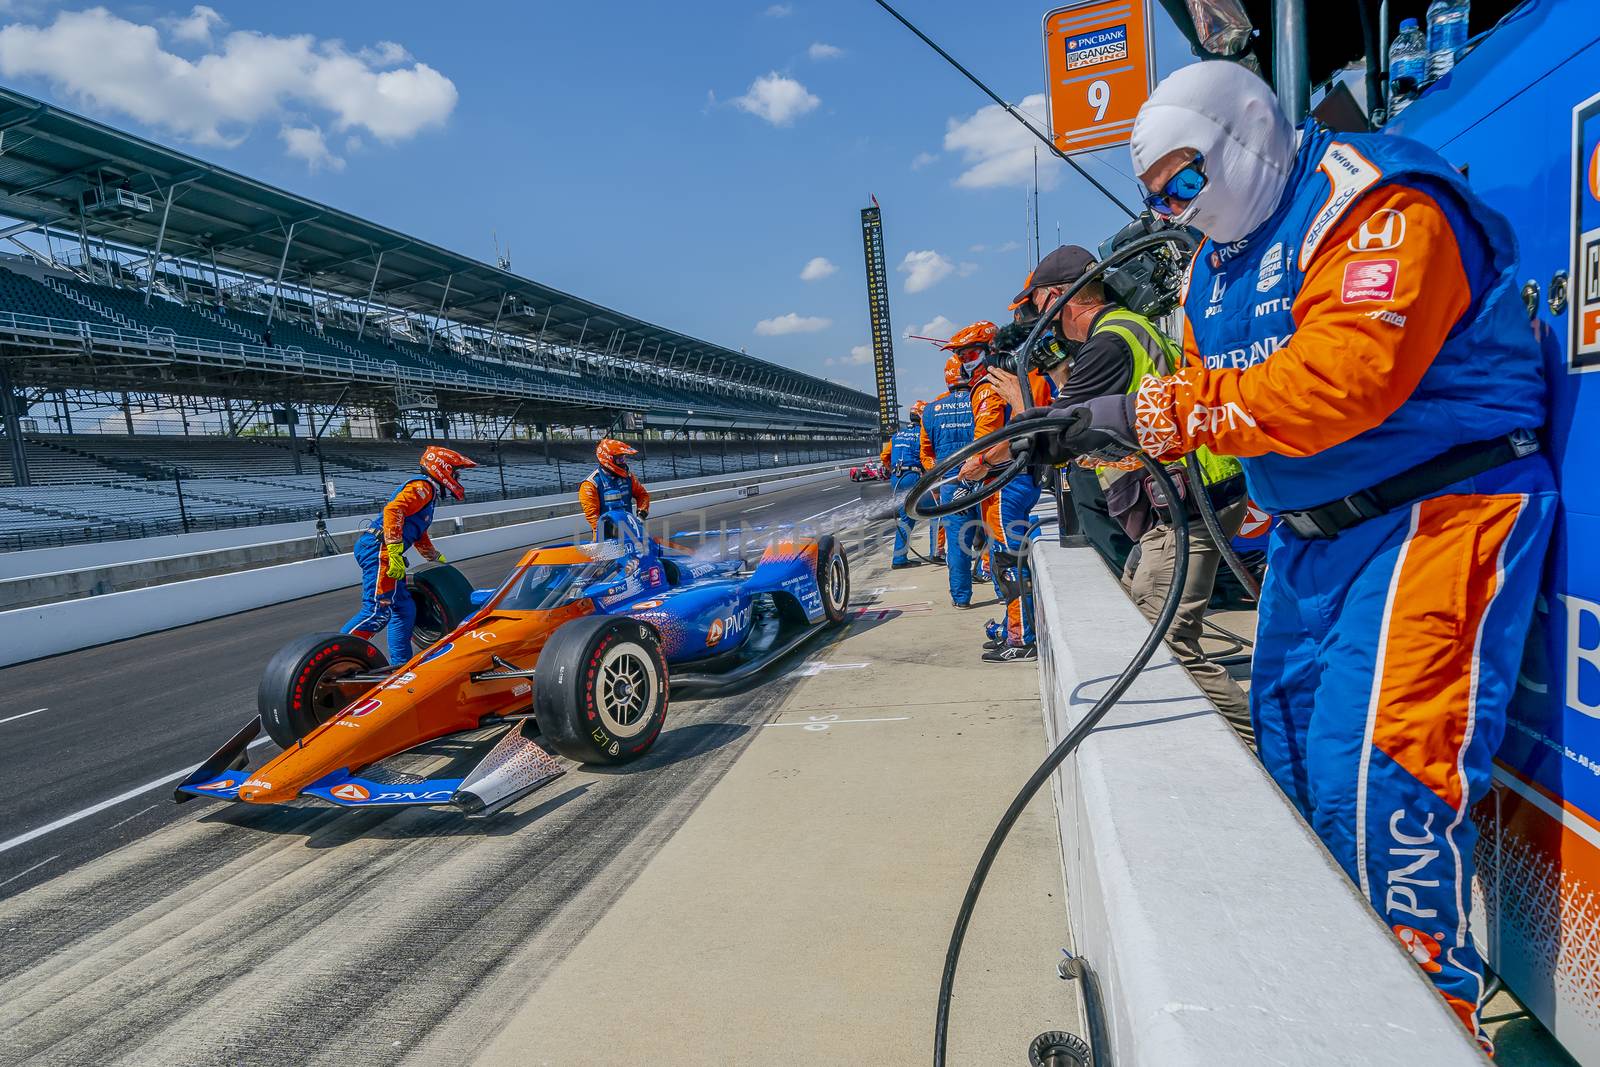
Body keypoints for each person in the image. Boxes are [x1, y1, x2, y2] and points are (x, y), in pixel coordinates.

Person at [1043, 60, 1554, 1046]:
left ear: (1247, 134)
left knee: (1376, 792)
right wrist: (1097, 433)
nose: (1176, 210)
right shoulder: (1210, 269)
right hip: (1310, 541)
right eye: (1157, 198)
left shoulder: (1378, 202)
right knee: (1282, 778)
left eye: (1184, 182)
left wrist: (1148, 410)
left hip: (1433, 515)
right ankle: (1330, 1016)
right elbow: (1206, 404)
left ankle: (1424, 1025)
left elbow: (1345, 378)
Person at [1013, 245, 1253, 739]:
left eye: (1038, 306)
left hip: (1186, 507)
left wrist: (1019, 413)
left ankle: (1261, 751)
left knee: (1162, 644)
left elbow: (1060, 436)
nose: (1040, 320)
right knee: (1129, 604)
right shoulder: (1128, 327)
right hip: (1190, 497)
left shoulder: (1108, 343)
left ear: (1058, 298)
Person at [957, 321, 1054, 662]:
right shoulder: (1030, 377)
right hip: (1021, 477)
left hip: (1007, 481)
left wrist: (976, 466)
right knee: (1006, 560)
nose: (963, 362)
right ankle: (1015, 626)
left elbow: (998, 440)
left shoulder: (997, 384)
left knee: (1008, 562)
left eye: (968, 354)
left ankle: (1021, 635)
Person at [342, 445, 477, 664]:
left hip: (382, 547)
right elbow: (393, 511)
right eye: (455, 472)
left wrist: (434, 558)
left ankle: (400, 666)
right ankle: (335, 655)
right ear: (443, 468)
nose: (457, 477)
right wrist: (394, 551)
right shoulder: (423, 487)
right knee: (377, 611)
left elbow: (418, 533)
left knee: (404, 609)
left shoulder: (428, 493)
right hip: (380, 549)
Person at [920, 353, 979, 607]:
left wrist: (940, 476)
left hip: (951, 483)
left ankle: (961, 598)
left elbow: (926, 453)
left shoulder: (931, 409)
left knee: (957, 543)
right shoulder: (983, 398)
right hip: (987, 477)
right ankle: (1003, 593)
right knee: (997, 536)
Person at [883, 401, 931, 568]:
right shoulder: (922, 434)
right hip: (912, 476)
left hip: (897, 477)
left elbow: (884, 456)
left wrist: (893, 471)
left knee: (905, 517)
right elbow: (926, 458)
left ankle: (900, 557)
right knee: (934, 510)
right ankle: (933, 552)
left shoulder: (897, 435)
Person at [581, 437, 651, 534]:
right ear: (607, 458)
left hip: (630, 531)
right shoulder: (590, 484)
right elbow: (592, 516)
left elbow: (642, 494)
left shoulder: (628, 477)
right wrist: (609, 531)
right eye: (620, 459)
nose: (623, 462)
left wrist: (641, 514)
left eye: (624, 458)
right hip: (606, 537)